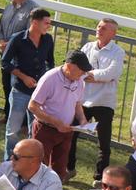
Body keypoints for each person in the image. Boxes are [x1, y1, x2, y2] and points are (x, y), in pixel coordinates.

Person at [70, 18, 125, 181]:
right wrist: (95, 76)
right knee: (71, 135)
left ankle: (100, 177)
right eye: (99, 26)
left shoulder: (118, 52)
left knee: (103, 143)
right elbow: (77, 68)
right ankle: (69, 168)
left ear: (113, 33)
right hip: (83, 101)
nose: (99, 30)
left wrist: (90, 75)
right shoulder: (87, 47)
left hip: (104, 103)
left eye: (104, 28)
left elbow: (112, 73)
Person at [28, 50, 90, 181]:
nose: (84, 74)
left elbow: (77, 103)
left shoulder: (79, 81)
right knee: (38, 166)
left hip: (66, 131)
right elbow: (32, 106)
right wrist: (56, 123)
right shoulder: (50, 78)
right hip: (45, 130)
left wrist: (83, 119)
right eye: (82, 70)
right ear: (69, 66)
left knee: (60, 170)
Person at [1, 8, 55, 157]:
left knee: (35, 131)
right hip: (20, 91)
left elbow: (50, 63)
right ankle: (9, 161)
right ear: (34, 22)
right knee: (13, 130)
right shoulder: (18, 38)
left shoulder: (48, 40)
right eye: (46, 23)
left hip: (39, 94)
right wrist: (23, 76)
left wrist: (47, 81)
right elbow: (5, 62)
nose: (48, 26)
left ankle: (29, 162)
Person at [0, 0, 38, 117]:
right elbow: (0, 26)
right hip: (6, 54)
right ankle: (8, 114)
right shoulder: (9, 6)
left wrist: (9, 45)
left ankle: (21, 119)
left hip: (21, 57)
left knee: (19, 87)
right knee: (6, 84)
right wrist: (1, 41)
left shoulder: (33, 9)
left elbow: (29, 32)